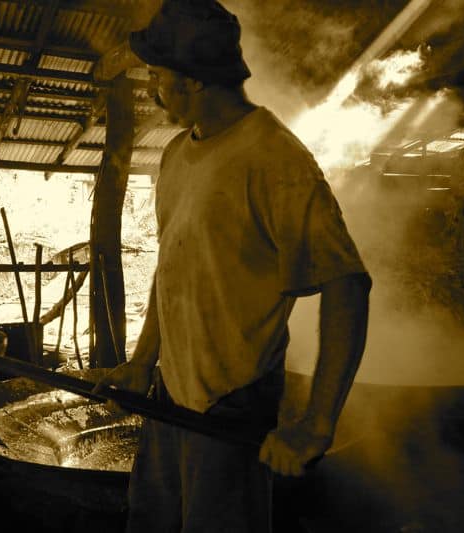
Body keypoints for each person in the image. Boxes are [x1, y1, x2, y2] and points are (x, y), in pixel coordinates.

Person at [95, 1, 371, 531]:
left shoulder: (274, 159)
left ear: (194, 82)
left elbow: (347, 285)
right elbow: (172, 269)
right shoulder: (177, 154)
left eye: (158, 76)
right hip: (170, 397)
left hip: (231, 404)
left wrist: (315, 424)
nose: (153, 89)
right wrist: (141, 361)